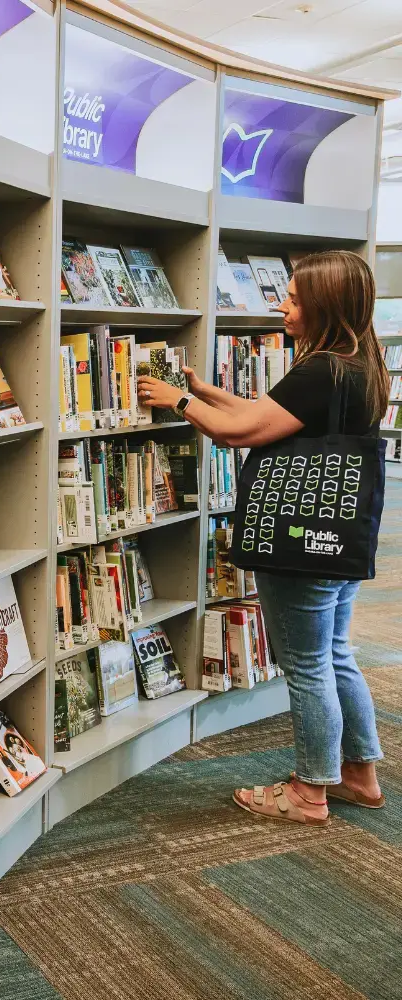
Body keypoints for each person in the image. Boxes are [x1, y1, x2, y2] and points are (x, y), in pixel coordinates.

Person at [136, 249, 388, 827]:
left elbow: (238, 430)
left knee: (305, 663)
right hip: (339, 539)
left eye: (295, 298)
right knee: (335, 654)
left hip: (298, 542)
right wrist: (202, 389)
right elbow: (267, 412)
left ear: (324, 307)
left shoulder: (320, 368)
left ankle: (308, 791)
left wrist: (179, 401)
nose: (283, 303)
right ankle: (359, 775)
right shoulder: (362, 364)